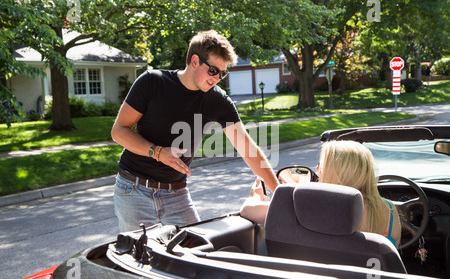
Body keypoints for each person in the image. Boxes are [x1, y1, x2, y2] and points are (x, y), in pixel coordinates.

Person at [111, 30, 278, 232]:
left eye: (223, 73)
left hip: (176, 193)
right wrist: (157, 152)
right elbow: (119, 131)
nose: (217, 78)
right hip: (134, 188)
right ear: (195, 61)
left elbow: (248, 149)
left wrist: (280, 195)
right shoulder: (152, 82)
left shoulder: (217, 100)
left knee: (196, 251)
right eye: (214, 71)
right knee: (139, 258)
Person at [240, 140, 401, 248]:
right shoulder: (389, 211)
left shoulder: (315, 207)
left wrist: (256, 197)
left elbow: (247, 210)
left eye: (321, 166)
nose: (316, 170)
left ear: (335, 173)